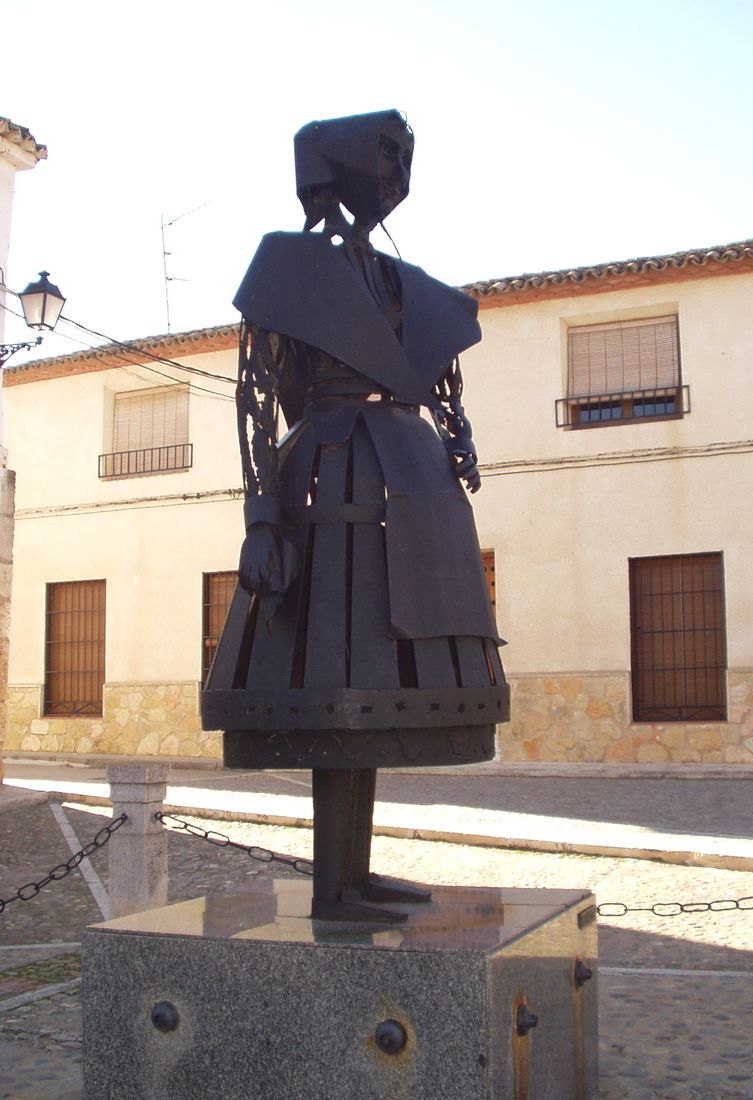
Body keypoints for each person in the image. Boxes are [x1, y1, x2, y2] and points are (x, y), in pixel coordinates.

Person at [201, 110, 509, 922]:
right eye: (383, 154)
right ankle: (333, 887)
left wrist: (455, 437)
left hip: (407, 480)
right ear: (334, 167)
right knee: (332, 667)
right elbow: (256, 397)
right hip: (326, 475)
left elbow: (435, 375)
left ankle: (358, 876)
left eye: (403, 157)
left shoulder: (405, 282)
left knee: (378, 672)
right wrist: (262, 515)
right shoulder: (288, 264)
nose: (396, 170)